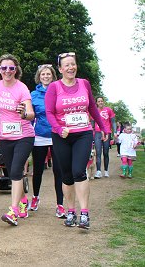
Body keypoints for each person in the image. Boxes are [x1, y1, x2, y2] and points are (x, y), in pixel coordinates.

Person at [45, 52, 107, 229]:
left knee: (79, 171)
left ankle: (85, 213)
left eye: (73, 64)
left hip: (83, 133)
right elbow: (49, 112)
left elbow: (92, 108)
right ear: (60, 69)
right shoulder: (54, 87)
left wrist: (104, 127)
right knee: (66, 175)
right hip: (61, 136)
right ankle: (71, 211)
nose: (71, 67)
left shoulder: (84, 84)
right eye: (67, 65)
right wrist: (58, 129)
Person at [0, 54, 35, 226]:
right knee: (12, 173)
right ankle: (23, 201)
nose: (8, 71)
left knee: (16, 171)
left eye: (11, 68)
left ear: (16, 70)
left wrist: (24, 113)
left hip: (24, 135)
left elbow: (30, 113)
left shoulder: (22, 88)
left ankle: (13, 210)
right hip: (5, 136)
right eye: (4, 68)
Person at [30, 64, 65, 218]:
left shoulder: (59, 91)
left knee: (59, 170)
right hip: (39, 135)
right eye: (43, 74)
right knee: (38, 170)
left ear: (53, 76)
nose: (46, 76)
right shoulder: (33, 94)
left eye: (48, 74)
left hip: (56, 134)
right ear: (39, 76)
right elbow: (30, 115)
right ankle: (35, 197)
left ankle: (60, 204)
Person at [92, 96, 116, 178]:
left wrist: (115, 132)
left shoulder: (108, 110)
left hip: (107, 133)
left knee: (106, 152)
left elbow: (113, 122)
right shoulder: (94, 111)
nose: (100, 102)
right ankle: (98, 171)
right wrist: (92, 134)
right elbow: (92, 123)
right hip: (98, 133)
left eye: (101, 101)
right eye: (99, 101)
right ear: (96, 103)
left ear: (103, 102)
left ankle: (106, 171)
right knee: (98, 152)